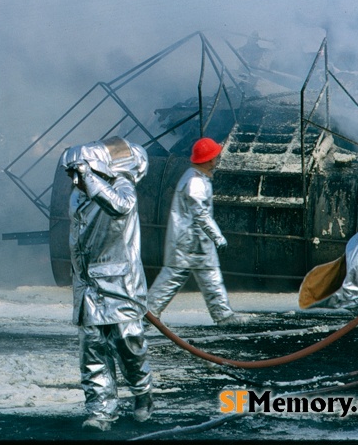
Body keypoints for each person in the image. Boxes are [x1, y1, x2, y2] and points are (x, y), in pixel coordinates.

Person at [62, 137, 153, 431]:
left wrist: (89, 178)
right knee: (93, 350)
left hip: (118, 283)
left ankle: (142, 393)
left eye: (80, 171)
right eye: (72, 173)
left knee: (129, 344)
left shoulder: (122, 185)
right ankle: (101, 412)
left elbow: (121, 207)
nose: (74, 179)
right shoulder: (78, 194)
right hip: (89, 286)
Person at [147, 137, 242, 326]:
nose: (217, 159)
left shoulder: (198, 177)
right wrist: (218, 236)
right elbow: (201, 214)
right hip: (187, 241)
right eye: (215, 156)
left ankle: (223, 316)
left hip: (197, 240)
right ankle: (148, 314)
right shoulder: (195, 182)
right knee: (172, 278)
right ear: (208, 160)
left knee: (211, 277)